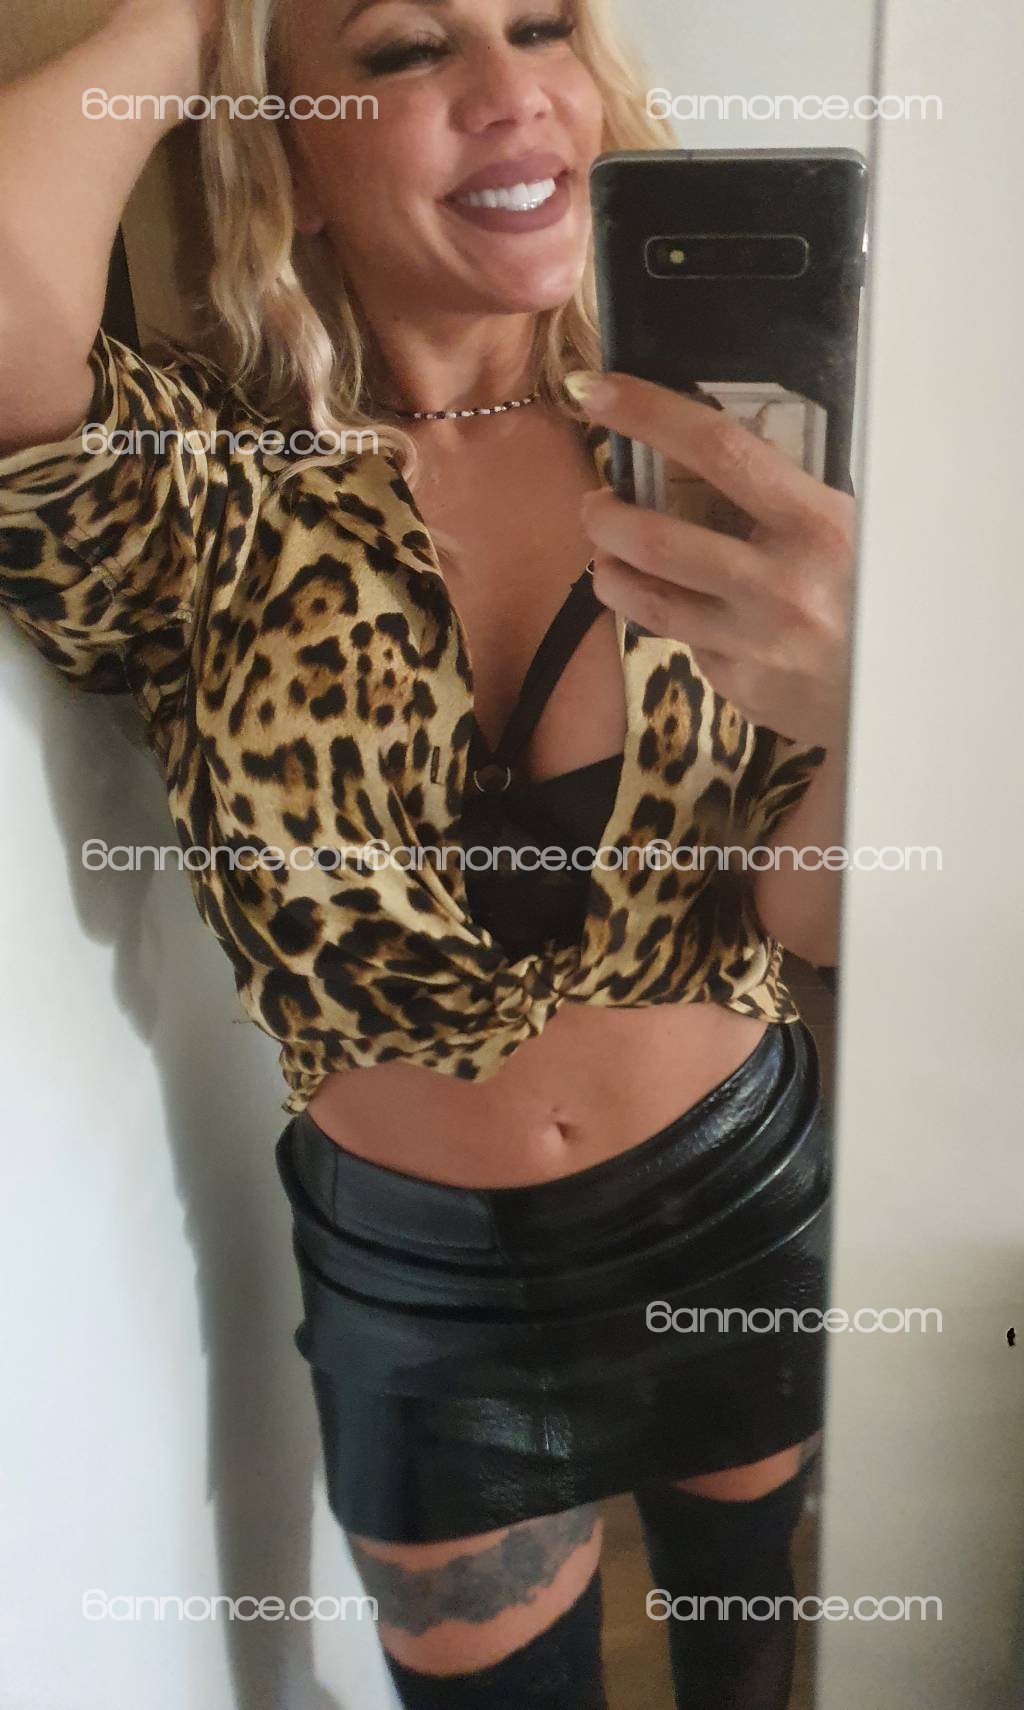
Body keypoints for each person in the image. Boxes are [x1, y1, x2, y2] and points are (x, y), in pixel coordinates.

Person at [0, 2, 855, 1704]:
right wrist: (212, 18)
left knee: (745, 1646)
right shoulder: (215, 491)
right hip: (424, 1286)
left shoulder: (725, 458)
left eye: (543, 26)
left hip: (733, 1194)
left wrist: (861, 706)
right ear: (288, 148)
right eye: (403, 50)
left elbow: (812, 919)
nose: (510, 87)